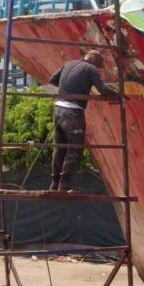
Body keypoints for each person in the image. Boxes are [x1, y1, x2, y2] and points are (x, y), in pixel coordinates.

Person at [47, 50, 119, 192]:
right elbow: (103, 89)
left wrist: (68, 89)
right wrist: (119, 95)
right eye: (99, 64)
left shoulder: (68, 63)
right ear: (94, 60)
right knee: (75, 147)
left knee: (59, 147)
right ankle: (65, 183)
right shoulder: (91, 69)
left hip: (58, 109)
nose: (99, 68)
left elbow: (52, 80)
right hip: (73, 111)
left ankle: (54, 183)